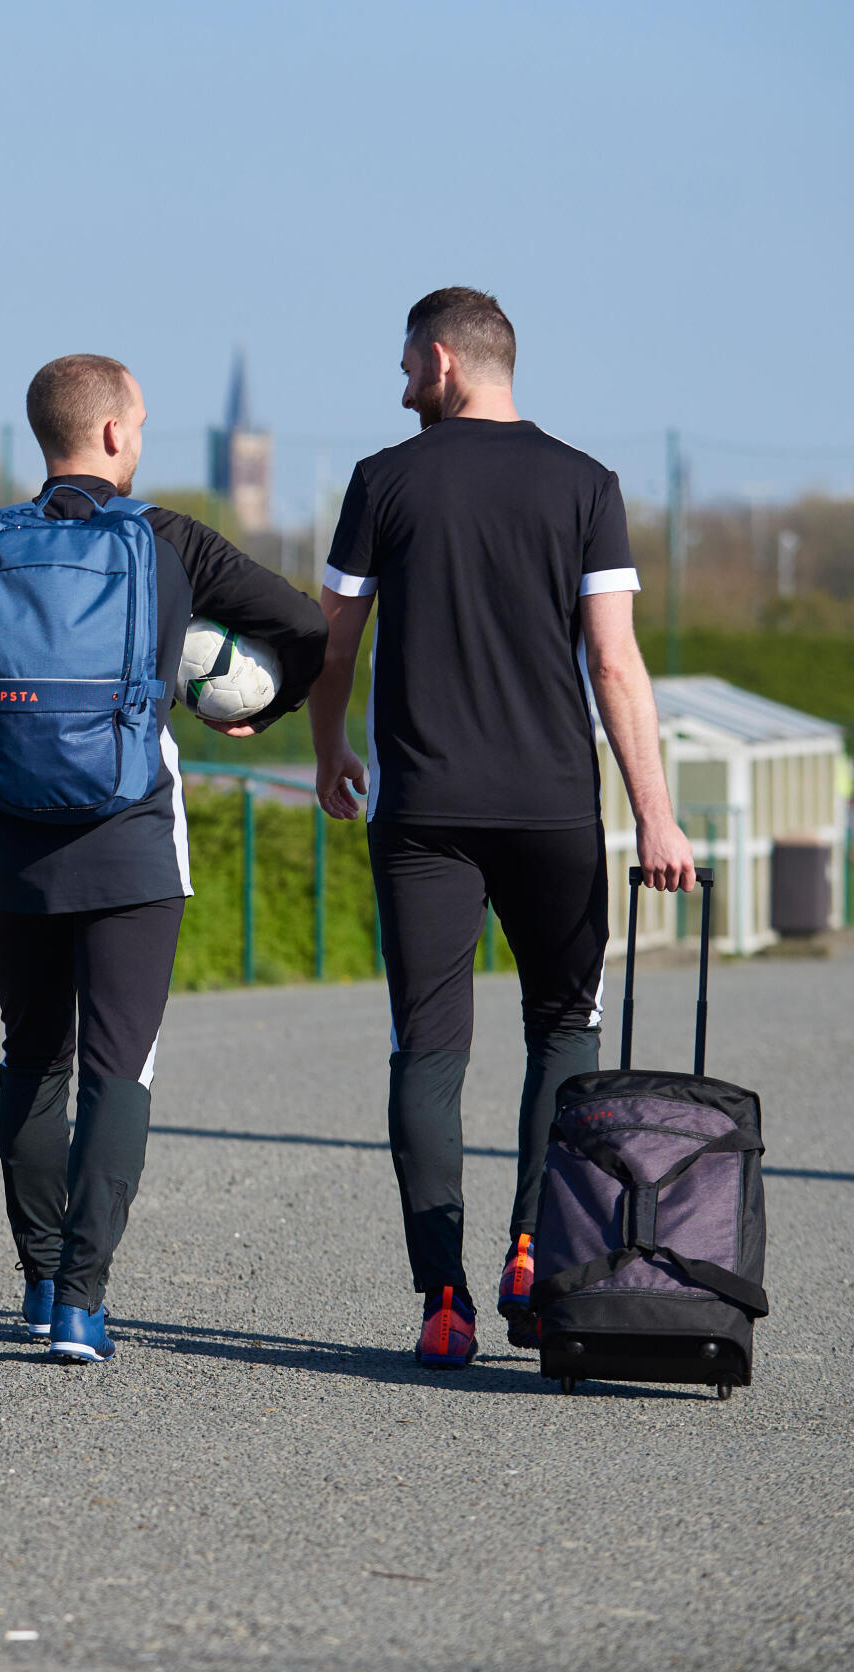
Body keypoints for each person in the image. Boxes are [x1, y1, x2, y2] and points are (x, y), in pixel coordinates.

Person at [0, 354, 326, 1363]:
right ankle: (81, 1301)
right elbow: (305, 622)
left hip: (13, 842)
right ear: (112, 434)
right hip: (131, 844)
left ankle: (34, 1280)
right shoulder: (167, 540)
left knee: (33, 1054)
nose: (142, 438)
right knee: (116, 1067)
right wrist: (261, 704)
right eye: (141, 423)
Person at [307, 287, 695, 1369]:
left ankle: (445, 1299)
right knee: (565, 1030)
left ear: (442, 360)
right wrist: (655, 815)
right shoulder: (586, 484)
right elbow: (615, 664)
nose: (399, 389)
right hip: (552, 807)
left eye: (404, 368)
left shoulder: (384, 479)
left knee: (429, 1049)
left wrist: (328, 749)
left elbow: (333, 641)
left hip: (422, 812)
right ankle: (536, 1247)